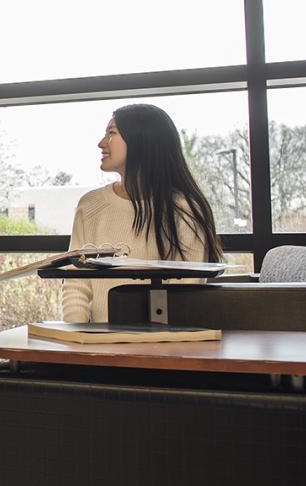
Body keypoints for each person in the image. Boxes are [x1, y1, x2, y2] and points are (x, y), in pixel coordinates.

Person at [62, 103, 222, 323]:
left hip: (163, 347)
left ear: (142, 140)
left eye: (111, 133)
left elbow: (184, 293)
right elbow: (75, 285)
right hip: (97, 348)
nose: (101, 143)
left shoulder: (185, 210)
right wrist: (76, 342)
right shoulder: (90, 204)